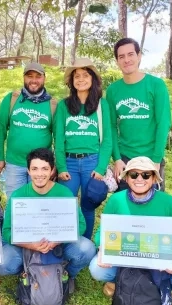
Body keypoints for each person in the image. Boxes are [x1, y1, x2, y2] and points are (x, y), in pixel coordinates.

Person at [88, 156, 172, 296]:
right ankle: (120, 282)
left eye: (146, 175)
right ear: (126, 179)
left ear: (153, 179)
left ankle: (157, 287)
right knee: (96, 269)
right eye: (134, 174)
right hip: (124, 254)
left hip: (157, 256)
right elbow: (101, 231)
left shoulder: (170, 203)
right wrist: (102, 247)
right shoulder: (116, 200)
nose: (139, 179)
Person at [0, 148, 96, 289]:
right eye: (34, 169)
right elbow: (7, 231)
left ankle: (67, 273)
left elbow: (81, 224)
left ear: (52, 170)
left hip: (58, 245)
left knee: (87, 249)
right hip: (27, 246)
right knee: (2, 263)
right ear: (28, 171)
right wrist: (30, 244)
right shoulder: (18, 195)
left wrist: (57, 240)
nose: (39, 174)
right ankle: (27, 272)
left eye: (44, 169)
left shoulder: (64, 193)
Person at [54, 58, 112, 239]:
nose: (80, 79)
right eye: (76, 76)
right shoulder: (64, 105)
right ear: (71, 81)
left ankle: (85, 243)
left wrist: (101, 168)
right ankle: (66, 242)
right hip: (69, 163)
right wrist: (61, 167)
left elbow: (107, 140)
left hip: (92, 162)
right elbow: (59, 138)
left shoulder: (102, 105)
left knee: (88, 205)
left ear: (93, 78)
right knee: (66, 205)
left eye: (85, 75)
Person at [107, 38, 171, 191]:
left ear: (139, 56)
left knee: (152, 209)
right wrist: (116, 158)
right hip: (125, 158)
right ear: (117, 61)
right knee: (125, 208)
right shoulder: (113, 90)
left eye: (130, 54)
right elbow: (110, 126)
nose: (126, 60)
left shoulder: (156, 85)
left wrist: (156, 160)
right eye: (121, 57)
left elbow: (163, 123)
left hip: (150, 157)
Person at [0, 62, 56, 199]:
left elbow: (58, 137)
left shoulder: (52, 104)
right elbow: (0, 129)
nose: (33, 80)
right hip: (14, 164)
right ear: (24, 77)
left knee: (39, 206)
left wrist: (55, 164)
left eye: (38, 77)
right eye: (29, 76)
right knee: (15, 204)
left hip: (41, 167)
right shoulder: (12, 99)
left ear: (44, 78)